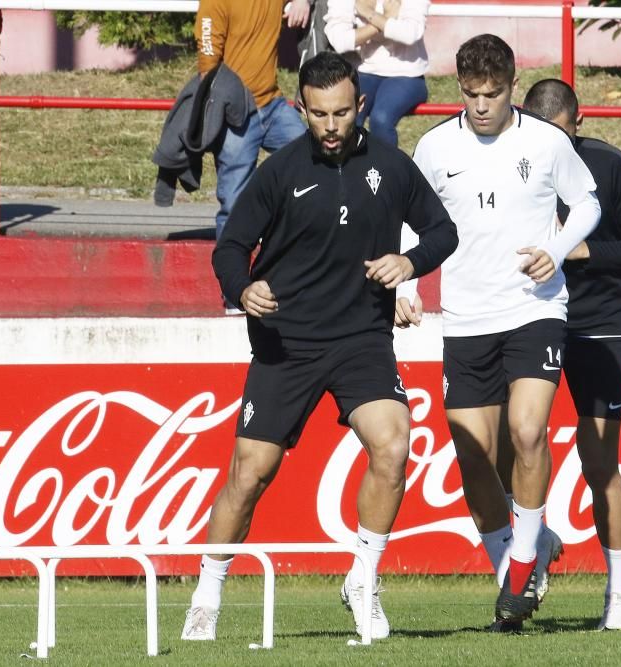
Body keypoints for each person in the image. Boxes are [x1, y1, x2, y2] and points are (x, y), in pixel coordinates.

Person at [181, 51, 458, 642]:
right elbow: (230, 247)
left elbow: (444, 232)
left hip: (362, 339)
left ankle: (363, 579)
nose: (331, 126)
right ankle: (207, 591)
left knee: (394, 442)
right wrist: (243, 287)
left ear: (360, 106)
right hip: (288, 342)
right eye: (318, 115)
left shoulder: (392, 165)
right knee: (250, 474)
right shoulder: (278, 172)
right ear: (300, 109)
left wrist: (409, 262)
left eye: (342, 112)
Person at [397, 34, 601, 631]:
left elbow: (586, 204)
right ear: (458, 88)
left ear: (513, 85)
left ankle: (518, 575)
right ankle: (520, 563)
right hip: (465, 316)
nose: (482, 105)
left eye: (492, 93)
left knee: (527, 429)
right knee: (473, 456)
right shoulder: (434, 148)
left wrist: (557, 250)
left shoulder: (546, 142)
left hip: (533, 308)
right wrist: (407, 288)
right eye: (470, 94)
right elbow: (413, 225)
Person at [497, 78, 621, 630]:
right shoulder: (505, 156)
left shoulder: (608, 167)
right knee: (508, 446)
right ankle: (537, 538)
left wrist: (586, 248)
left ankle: (619, 600)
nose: (551, 147)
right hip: (528, 318)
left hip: (596, 326)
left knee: (599, 463)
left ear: (580, 122)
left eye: (561, 134)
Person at [195, 0, 308, 309]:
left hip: (272, 104)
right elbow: (208, 64)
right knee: (232, 202)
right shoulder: (215, 2)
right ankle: (234, 295)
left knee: (314, 164)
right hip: (236, 109)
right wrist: (221, 108)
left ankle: (307, 275)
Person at [324, 0, 429, 146]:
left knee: (381, 119)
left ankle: (388, 168)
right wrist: (382, 20)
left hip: (408, 74)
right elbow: (340, 40)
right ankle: (349, 166)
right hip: (364, 70)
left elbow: (410, 34)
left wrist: (370, 15)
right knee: (347, 117)